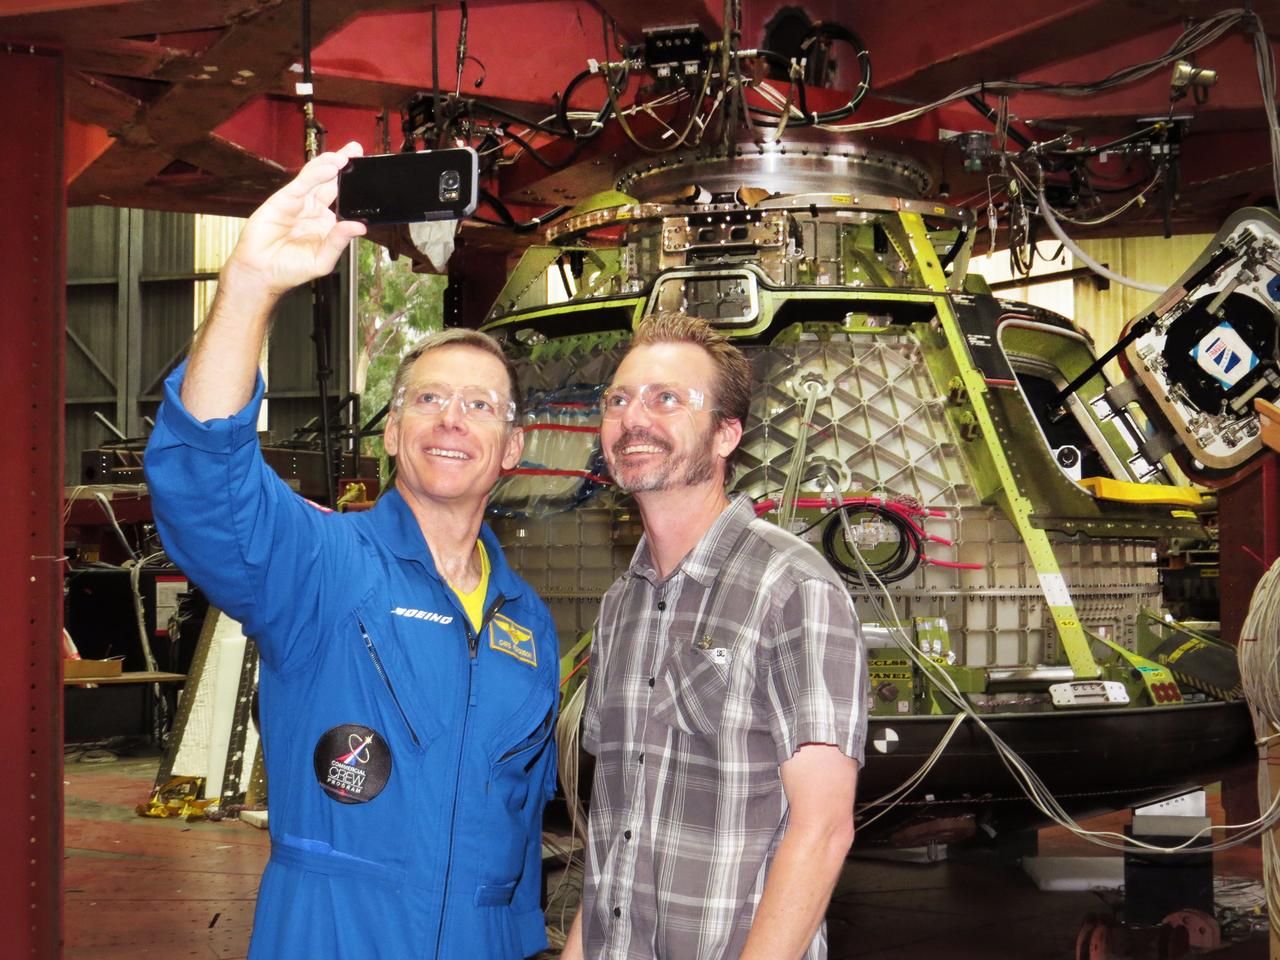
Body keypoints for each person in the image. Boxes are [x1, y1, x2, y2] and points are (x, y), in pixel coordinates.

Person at [144, 142, 558, 959]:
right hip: (331, 936)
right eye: (428, 399)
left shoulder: (528, 625)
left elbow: (516, 838)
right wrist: (250, 288)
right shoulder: (323, 567)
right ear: (394, 429)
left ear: (514, 447)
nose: (451, 418)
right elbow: (204, 484)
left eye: (480, 405)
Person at [562, 312, 868, 960]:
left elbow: (822, 831)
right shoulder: (623, 605)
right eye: (619, 399)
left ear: (727, 433)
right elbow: (618, 830)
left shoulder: (793, 590)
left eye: (666, 398)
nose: (632, 417)